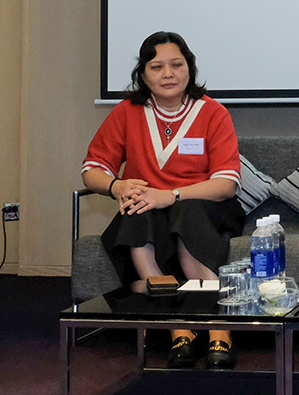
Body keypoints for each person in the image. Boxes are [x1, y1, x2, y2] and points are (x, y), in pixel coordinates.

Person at [81, 31, 244, 370]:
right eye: (156, 67)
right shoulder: (127, 112)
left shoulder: (212, 112)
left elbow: (226, 184)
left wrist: (169, 195)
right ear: (143, 74)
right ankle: (179, 330)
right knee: (136, 205)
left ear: (190, 69)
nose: (167, 74)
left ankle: (219, 331)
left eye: (176, 65)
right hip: (151, 216)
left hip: (207, 209)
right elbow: (92, 170)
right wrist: (117, 187)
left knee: (185, 211)